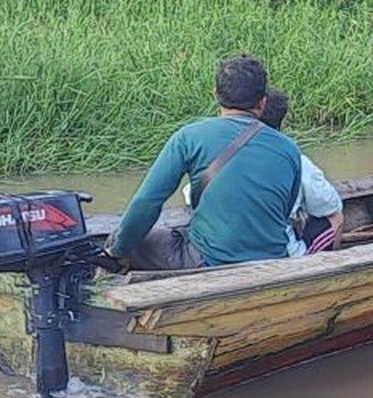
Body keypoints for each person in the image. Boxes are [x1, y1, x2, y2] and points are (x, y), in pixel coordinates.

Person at [105, 56, 303, 269]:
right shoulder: (289, 148)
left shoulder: (189, 137)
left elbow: (147, 203)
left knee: (119, 239)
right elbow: (285, 211)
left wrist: (118, 250)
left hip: (209, 259)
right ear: (263, 101)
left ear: (216, 95)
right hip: (273, 259)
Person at [259, 89, 345, 256]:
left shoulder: (220, 154)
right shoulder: (296, 160)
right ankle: (321, 273)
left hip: (219, 255)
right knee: (336, 217)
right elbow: (331, 206)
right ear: (279, 124)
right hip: (281, 256)